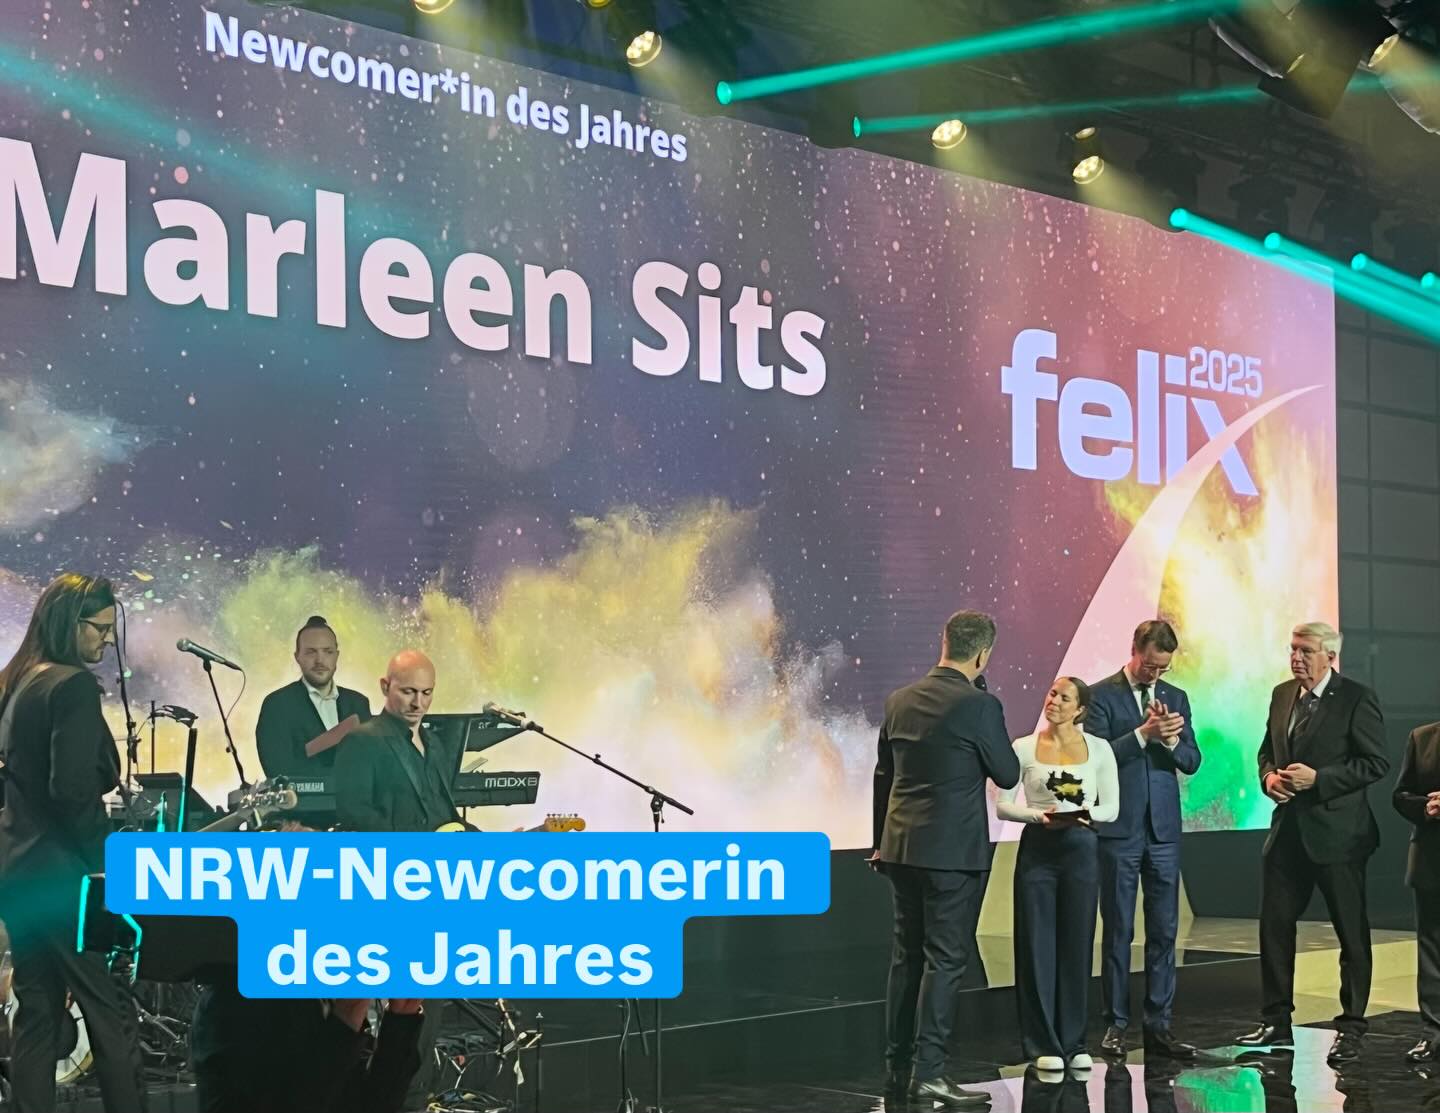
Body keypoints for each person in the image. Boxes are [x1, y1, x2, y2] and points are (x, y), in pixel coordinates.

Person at [0, 573, 148, 1112]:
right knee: (109, 1011)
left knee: (37, 1013)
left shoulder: (17, 681)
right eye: (99, 629)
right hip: (68, 881)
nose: (107, 640)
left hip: (18, 874)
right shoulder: (73, 687)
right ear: (70, 623)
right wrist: (107, 862)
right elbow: (72, 792)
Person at [871, 610, 1020, 1108]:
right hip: (952, 855)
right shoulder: (979, 705)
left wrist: (880, 842)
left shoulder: (899, 700)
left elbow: (883, 777)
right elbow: (1007, 772)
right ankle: (930, 1072)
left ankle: (898, 1068)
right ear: (983, 654)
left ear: (945, 641)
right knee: (945, 959)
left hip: (900, 849)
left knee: (906, 957)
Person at [1237, 621, 1388, 1064]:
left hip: (1339, 836)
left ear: (1330, 656)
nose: (1296, 657)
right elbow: (1267, 750)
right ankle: (1276, 1021)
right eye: (1293, 649)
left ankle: (1352, 1026)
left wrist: (1319, 779)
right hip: (1287, 834)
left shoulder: (1357, 698)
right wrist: (1268, 777)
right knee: (1274, 928)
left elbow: (1375, 762)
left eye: (1305, 650)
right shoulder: (1283, 694)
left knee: (1350, 934)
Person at [1087, 619, 1201, 1059]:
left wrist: (1170, 742)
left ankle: (1159, 1025)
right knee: (1118, 928)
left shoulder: (1176, 697)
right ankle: (1116, 1024)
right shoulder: (1100, 696)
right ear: (1134, 649)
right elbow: (1095, 759)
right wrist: (1142, 735)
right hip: (1119, 830)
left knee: (1165, 930)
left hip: (1164, 832)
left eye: (1163, 668)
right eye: (1150, 665)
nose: (1155, 675)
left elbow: (1191, 760)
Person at [997, 677, 1119, 1072]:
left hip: (1081, 848)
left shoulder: (1099, 749)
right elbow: (1002, 805)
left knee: (1077, 942)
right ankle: (1042, 1042)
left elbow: (1111, 807)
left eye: (1065, 698)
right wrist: (1038, 816)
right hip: (1039, 849)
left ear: (1080, 709)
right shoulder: (1023, 747)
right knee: (1036, 943)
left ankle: (1073, 1040)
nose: (1055, 701)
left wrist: (1083, 814)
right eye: (1053, 694)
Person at [334, 649, 461, 834]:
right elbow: (355, 817)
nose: (418, 703)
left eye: (427, 693)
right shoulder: (360, 742)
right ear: (385, 687)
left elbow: (446, 815)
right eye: (408, 691)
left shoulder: (435, 743)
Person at [256, 616, 371, 780]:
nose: (320, 660)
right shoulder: (277, 705)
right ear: (297, 657)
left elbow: (371, 766)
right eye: (311, 652)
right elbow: (278, 770)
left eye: (328, 652)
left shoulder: (358, 703)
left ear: (337, 656)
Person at [1392, 721, 1440, 1062]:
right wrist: (1425, 807)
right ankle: (1433, 1032)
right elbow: (1401, 795)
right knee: (1432, 952)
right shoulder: (1422, 737)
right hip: (1431, 862)